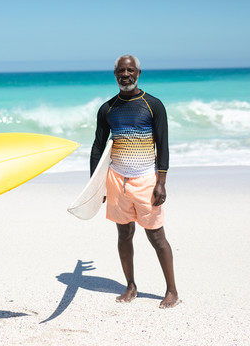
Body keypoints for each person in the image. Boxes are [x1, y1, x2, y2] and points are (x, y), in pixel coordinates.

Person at [90, 55, 179, 308]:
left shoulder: (153, 105)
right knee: (124, 233)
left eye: (130, 70)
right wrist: (95, 185)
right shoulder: (107, 108)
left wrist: (161, 182)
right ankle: (130, 286)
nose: (125, 74)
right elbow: (98, 147)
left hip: (146, 179)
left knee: (156, 237)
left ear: (138, 73)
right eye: (121, 70)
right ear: (115, 74)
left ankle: (171, 290)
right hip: (117, 179)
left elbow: (163, 146)